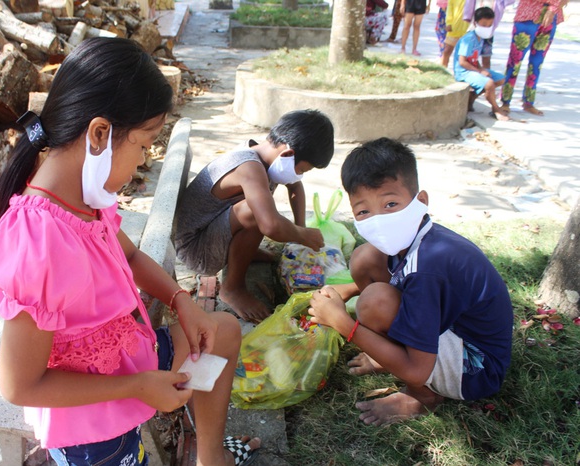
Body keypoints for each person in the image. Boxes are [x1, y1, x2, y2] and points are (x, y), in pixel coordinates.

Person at [0, 37, 260, 466]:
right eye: (145, 144)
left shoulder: (85, 200)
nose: (144, 160)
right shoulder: (39, 242)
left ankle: (210, 457)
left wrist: (182, 301)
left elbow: (128, 257)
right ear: (99, 134)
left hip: (131, 364)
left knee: (220, 330)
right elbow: (21, 385)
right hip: (93, 432)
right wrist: (137, 387)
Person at [307, 137, 513, 426]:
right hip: (454, 329)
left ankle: (423, 397)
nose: (379, 220)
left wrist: (343, 323)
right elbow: (389, 270)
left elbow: (417, 369)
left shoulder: (427, 269)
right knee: (366, 258)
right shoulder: (420, 237)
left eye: (390, 203)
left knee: (375, 303)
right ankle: (393, 350)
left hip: (476, 368)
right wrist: (348, 289)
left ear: (421, 201)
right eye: (364, 211)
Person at [174, 110, 334, 324]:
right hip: (196, 251)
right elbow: (270, 226)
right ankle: (232, 289)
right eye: (303, 169)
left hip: (209, 230)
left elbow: (295, 185)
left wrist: (300, 226)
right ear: (288, 154)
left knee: (261, 210)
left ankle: (244, 251)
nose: (300, 175)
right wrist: (302, 235)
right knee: (256, 212)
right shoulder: (250, 168)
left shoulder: (264, 154)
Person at [500, 0, 568, 116]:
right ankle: (505, 101)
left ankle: (529, 102)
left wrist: (553, 8)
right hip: (528, 16)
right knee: (515, 61)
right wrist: (554, 4)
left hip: (550, 20)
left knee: (537, 63)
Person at [453, 6, 510, 120]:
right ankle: (495, 109)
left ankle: (471, 98)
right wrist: (480, 71)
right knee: (489, 84)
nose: (487, 27)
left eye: (489, 25)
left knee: (500, 79)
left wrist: (481, 69)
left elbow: (474, 59)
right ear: (476, 23)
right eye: (484, 24)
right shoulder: (468, 39)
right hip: (463, 72)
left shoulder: (481, 38)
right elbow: (462, 62)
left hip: (473, 69)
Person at [462, 0, 515, 70]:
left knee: (486, 58)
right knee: (469, 57)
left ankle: (486, 76)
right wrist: (467, 16)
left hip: (488, 31)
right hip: (475, 27)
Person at [440, 0, 468, 68]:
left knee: (464, 55)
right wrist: (449, 22)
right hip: (454, 27)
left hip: (467, 28)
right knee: (447, 51)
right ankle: (443, 70)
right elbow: (450, 8)